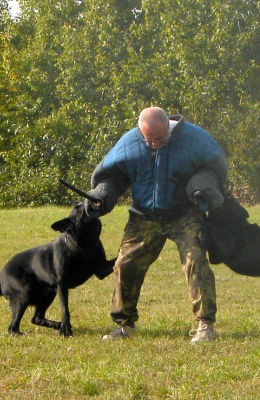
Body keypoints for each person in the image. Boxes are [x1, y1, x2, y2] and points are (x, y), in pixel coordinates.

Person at [85, 107, 228, 343]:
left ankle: (205, 326)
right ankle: (125, 324)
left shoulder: (195, 139)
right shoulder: (131, 141)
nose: (152, 144)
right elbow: (113, 175)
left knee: (196, 260)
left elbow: (216, 167)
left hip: (184, 213)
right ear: (140, 131)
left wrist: (202, 185)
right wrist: (102, 196)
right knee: (125, 264)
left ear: (169, 127)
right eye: (147, 139)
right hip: (144, 215)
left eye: (159, 139)